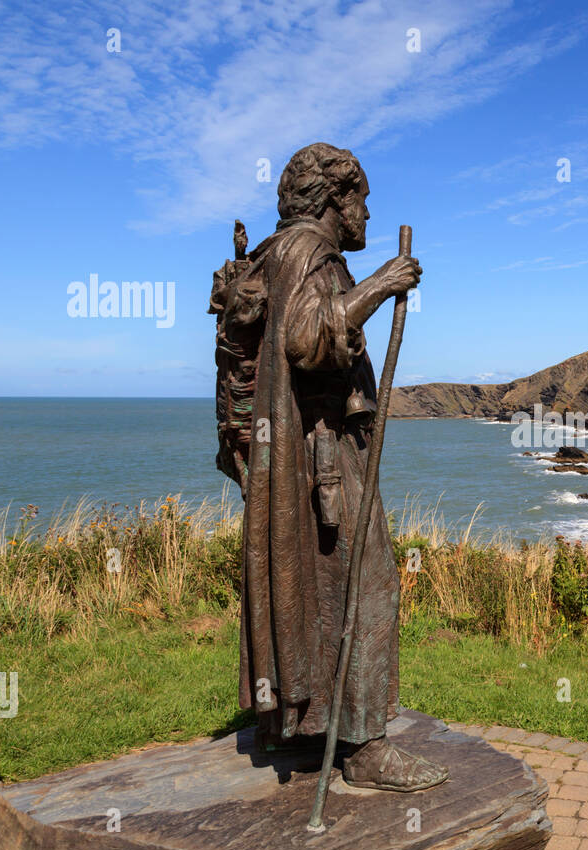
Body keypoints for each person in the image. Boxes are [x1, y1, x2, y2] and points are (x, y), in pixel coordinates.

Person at [211, 143, 445, 792]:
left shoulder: (273, 253)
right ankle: (366, 746)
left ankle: (295, 722)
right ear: (336, 201)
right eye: (361, 199)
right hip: (322, 460)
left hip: (290, 459)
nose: (367, 213)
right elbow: (308, 342)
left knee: (308, 590)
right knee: (368, 589)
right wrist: (382, 284)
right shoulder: (314, 255)